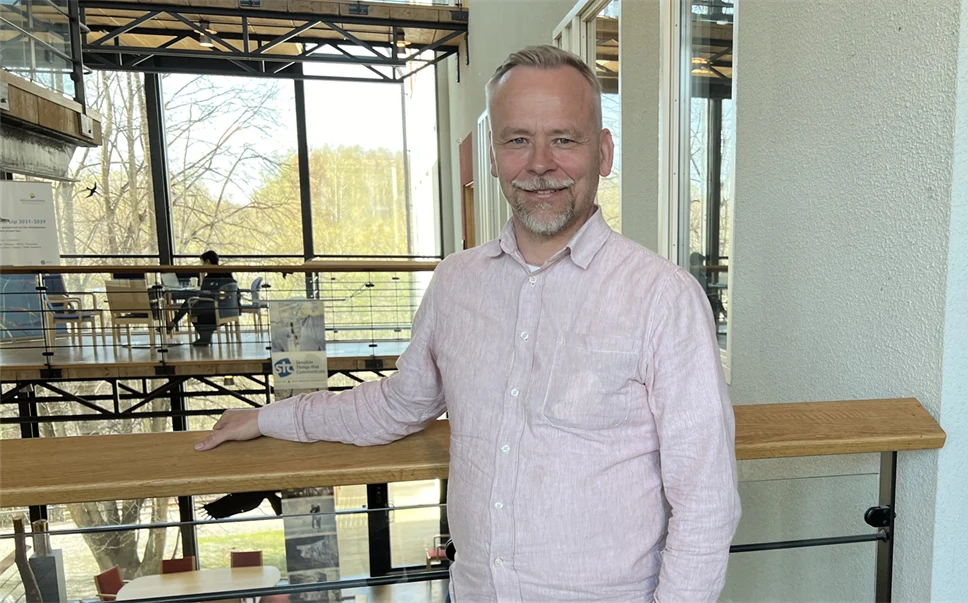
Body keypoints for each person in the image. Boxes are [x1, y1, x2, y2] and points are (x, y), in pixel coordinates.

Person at [196, 45, 740, 602]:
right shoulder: (455, 284)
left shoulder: (662, 298)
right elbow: (397, 404)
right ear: (494, 153)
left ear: (603, 152)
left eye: (565, 139)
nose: (540, 163)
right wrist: (270, 417)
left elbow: (706, 501)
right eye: (518, 139)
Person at [167, 250, 237, 345]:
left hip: (215, 308)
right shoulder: (226, 272)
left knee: (190, 306)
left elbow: (203, 293)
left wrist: (202, 277)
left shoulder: (211, 276)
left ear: (207, 262)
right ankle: (175, 323)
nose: (202, 265)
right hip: (228, 308)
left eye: (202, 262)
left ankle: (175, 323)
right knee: (191, 303)